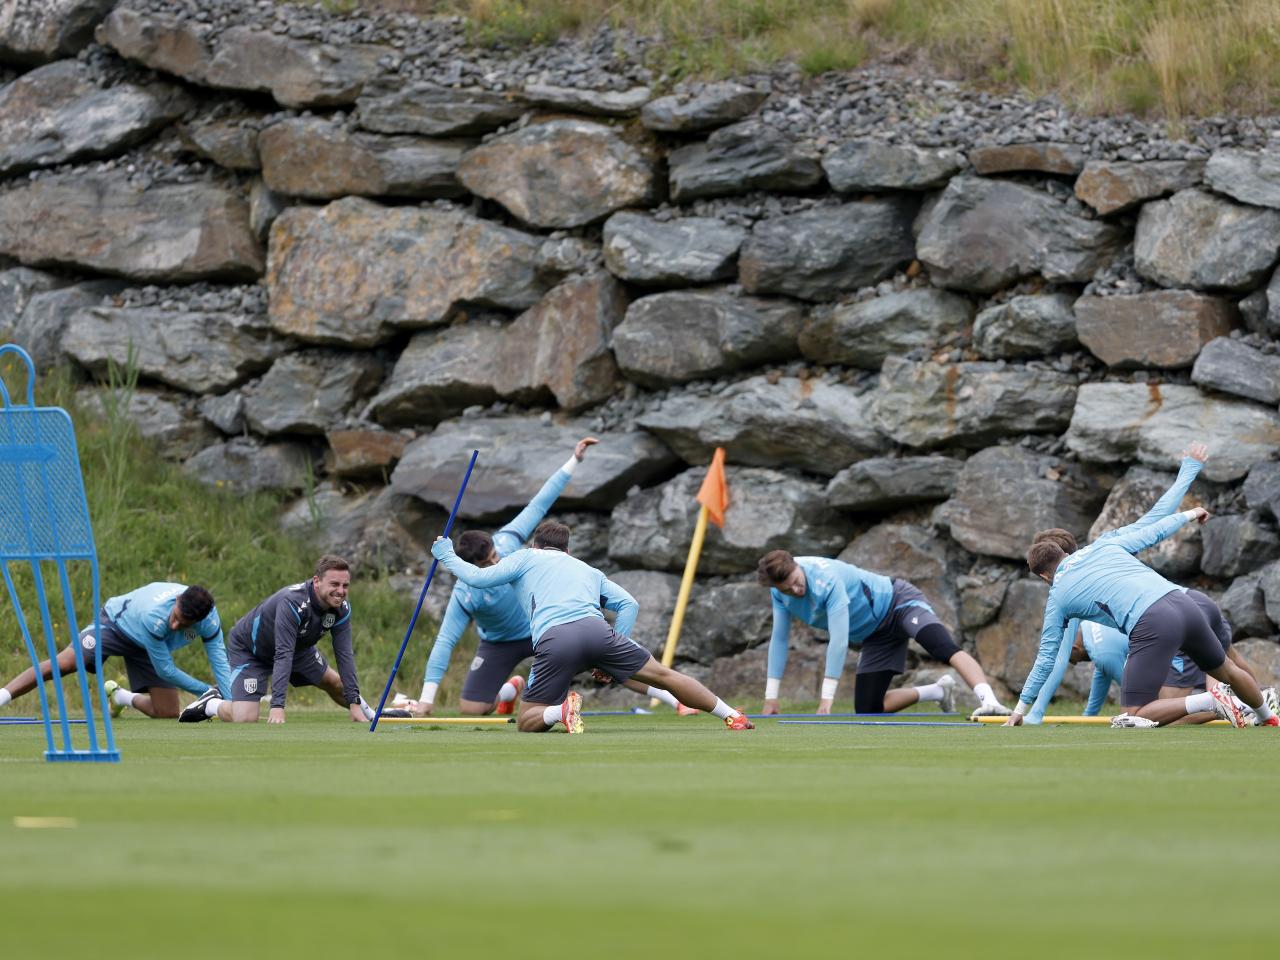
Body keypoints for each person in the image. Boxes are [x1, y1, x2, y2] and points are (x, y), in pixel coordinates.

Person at [1021, 443, 1274, 724]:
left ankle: (1220, 702)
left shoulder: (1062, 593)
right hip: (1191, 600)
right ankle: (1266, 713)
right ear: (1069, 551)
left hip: (1157, 622)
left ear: (1045, 576)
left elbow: (1054, 660)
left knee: (1154, 714)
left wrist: (1032, 712)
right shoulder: (1105, 545)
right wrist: (1189, 480)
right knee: (1229, 667)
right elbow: (1156, 520)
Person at [430, 520, 753, 733]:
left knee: (527, 720)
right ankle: (731, 715)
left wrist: (445, 555)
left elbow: (475, 577)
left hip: (555, 639)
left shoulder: (524, 557)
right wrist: (613, 654)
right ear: (567, 550)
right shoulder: (586, 568)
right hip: (599, 633)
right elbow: (629, 604)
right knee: (667, 676)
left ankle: (562, 712)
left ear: (536, 546)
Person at [755, 551, 1009, 717]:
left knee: (942, 647)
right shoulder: (779, 595)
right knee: (867, 710)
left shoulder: (827, 579)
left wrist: (826, 699)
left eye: (797, 581)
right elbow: (779, 640)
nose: (797, 590)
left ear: (797, 566)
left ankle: (990, 702)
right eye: (788, 589)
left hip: (899, 604)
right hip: (876, 633)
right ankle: (939, 692)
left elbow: (839, 640)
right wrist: (771, 698)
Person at [179, 556, 370, 724]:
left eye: (345, 586)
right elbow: (283, 654)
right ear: (317, 581)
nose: (341, 591)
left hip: (298, 649)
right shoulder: (293, 602)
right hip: (252, 652)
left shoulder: (342, 609)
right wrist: (277, 706)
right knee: (245, 718)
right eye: (334, 584)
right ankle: (211, 703)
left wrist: (354, 704)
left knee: (336, 683)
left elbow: (344, 655)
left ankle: (371, 714)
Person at [0, 582, 229, 719]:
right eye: (176, 617)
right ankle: (2, 696)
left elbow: (219, 661)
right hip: (115, 626)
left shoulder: (209, 621)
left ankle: (120, 697)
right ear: (177, 600)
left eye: (184, 624)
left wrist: (231, 699)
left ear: (199, 621)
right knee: (67, 663)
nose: (175, 626)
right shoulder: (155, 616)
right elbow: (166, 669)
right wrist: (207, 691)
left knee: (167, 711)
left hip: (150, 643)